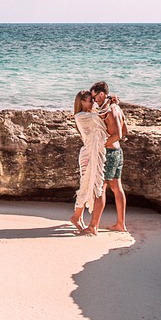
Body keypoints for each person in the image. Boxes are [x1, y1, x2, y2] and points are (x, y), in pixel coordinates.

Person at [91, 81, 128, 232]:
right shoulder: (117, 108)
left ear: (101, 94)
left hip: (110, 153)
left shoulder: (111, 111)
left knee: (100, 188)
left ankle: (93, 226)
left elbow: (118, 135)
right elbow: (125, 131)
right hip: (118, 152)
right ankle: (120, 224)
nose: (94, 100)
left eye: (95, 97)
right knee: (117, 188)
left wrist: (102, 145)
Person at [69, 90, 107, 235]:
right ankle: (76, 217)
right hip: (87, 155)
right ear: (82, 102)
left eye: (92, 99)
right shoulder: (81, 116)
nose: (92, 102)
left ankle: (77, 216)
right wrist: (109, 103)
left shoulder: (92, 112)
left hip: (94, 153)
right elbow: (102, 117)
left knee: (90, 184)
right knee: (86, 184)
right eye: (89, 100)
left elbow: (102, 115)